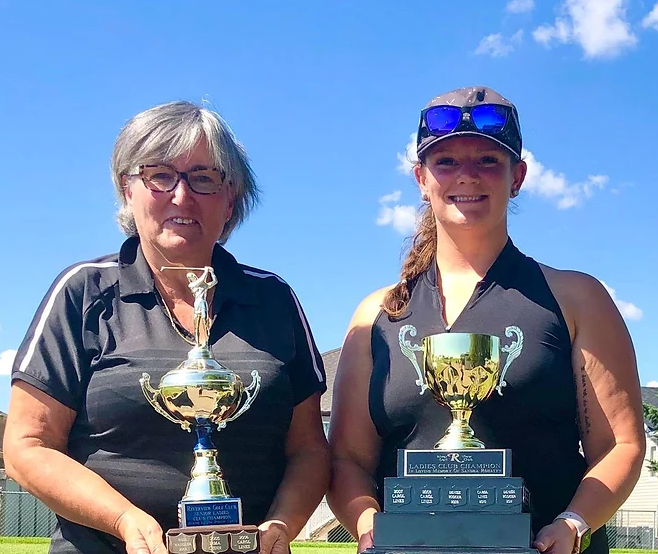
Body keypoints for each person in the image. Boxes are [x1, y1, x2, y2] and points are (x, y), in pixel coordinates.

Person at [327, 86, 645, 554]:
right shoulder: (378, 314)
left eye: (488, 161)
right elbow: (348, 458)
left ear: (518, 177)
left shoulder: (577, 298)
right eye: (446, 161)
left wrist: (574, 524)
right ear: (421, 178)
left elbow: (621, 444)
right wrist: (369, 524)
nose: (467, 175)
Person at [4, 101, 330, 554]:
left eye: (203, 178)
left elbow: (309, 450)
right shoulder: (82, 291)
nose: (181, 196)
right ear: (127, 189)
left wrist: (282, 525)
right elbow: (28, 445)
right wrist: (124, 520)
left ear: (230, 198)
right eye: (159, 175)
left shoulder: (274, 299)